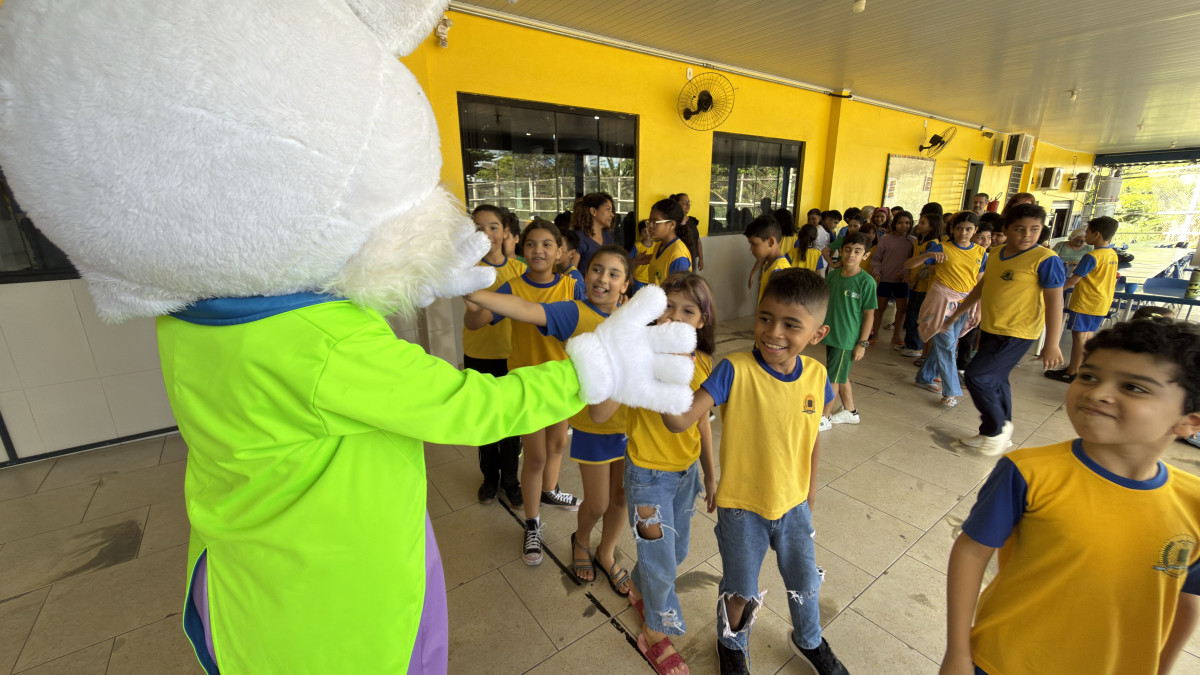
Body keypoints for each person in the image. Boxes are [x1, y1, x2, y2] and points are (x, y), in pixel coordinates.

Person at [940, 318, 1200, 675]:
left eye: (1133, 387)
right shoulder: (1028, 472)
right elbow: (971, 552)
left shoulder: (1193, 503)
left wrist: (1161, 668)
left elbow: (1186, 599)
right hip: (1002, 661)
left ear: (1189, 422)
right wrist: (957, 653)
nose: (1097, 392)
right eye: (1089, 376)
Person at [662, 268, 849, 675]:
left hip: (794, 505)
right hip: (742, 509)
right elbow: (679, 421)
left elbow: (812, 434)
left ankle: (809, 639)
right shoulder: (734, 369)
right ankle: (730, 643)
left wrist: (810, 489)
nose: (773, 332)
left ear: (817, 334)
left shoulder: (818, 376)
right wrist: (663, 375)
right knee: (740, 589)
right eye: (765, 317)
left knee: (805, 582)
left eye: (791, 324)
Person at [467, 245, 635, 592]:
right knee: (598, 503)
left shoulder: (632, 319)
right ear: (584, 274)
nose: (602, 278)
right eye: (596, 269)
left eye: (613, 273)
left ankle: (606, 552)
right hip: (594, 425)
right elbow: (525, 309)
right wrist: (471, 291)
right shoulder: (575, 311)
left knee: (621, 499)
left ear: (625, 284)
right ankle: (581, 540)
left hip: (631, 425)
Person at [463, 219, 586, 564]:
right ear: (521, 248)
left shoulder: (572, 286)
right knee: (534, 457)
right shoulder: (512, 287)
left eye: (547, 244)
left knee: (558, 444)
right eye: (531, 244)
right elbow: (476, 322)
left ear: (560, 252)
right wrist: (471, 308)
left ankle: (549, 491)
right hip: (528, 384)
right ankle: (532, 523)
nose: (538, 250)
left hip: (562, 381)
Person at [623, 272, 718, 675]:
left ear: (702, 320)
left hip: (685, 475)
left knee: (673, 552)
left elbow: (701, 422)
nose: (675, 317)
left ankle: (637, 585)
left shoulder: (703, 362)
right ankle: (654, 633)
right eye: (668, 308)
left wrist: (710, 473)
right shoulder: (640, 355)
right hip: (647, 476)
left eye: (688, 311)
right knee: (662, 560)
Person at [942, 204, 1066, 453]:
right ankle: (994, 431)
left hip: (1018, 332)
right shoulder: (997, 253)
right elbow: (982, 286)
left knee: (977, 376)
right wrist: (959, 312)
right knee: (997, 380)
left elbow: (1055, 302)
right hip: (992, 327)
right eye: (1019, 229)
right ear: (1006, 230)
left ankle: (997, 430)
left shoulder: (1046, 259)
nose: (1027, 235)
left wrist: (1052, 343)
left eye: (1034, 229)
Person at [462, 205, 528, 506]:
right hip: (478, 353)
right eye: (478, 228)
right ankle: (489, 478)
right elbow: (473, 316)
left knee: (511, 421)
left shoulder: (520, 271)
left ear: (505, 232)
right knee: (485, 418)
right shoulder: (468, 271)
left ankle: (511, 480)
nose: (486, 234)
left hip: (513, 355)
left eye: (493, 227)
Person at [908, 211, 986, 408]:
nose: (963, 233)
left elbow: (979, 284)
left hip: (965, 304)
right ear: (952, 228)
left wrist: (978, 310)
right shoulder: (942, 247)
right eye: (959, 228)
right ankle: (950, 391)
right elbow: (909, 264)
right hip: (941, 301)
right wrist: (928, 255)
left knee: (947, 344)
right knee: (947, 344)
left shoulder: (981, 252)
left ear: (975, 230)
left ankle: (925, 377)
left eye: (968, 229)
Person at [1045, 216, 1120, 383]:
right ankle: (1082, 369)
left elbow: (1073, 280)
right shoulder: (1112, 254)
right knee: (1088, 337)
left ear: (1097, 234)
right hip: (1102, 302)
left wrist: (1054, 292)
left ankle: (1072, 372)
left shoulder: (1092, 256)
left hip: (1086, 302)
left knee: (1079, 337)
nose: (1085, 236)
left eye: (1087, 232)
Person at [819, 232, 877, 431]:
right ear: (841, 251)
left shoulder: (866, 282)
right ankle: (850, 412)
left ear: (865, 255)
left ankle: (824, 417)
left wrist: (862, 343)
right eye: (847, 250)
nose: (851, 254)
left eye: (857, 251)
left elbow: (869, 315)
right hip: (831, 334)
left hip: (846, 339)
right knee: (840, 373)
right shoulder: (833, 275)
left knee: (833, 377)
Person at [900, 213, 946, 358]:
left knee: (917, 316)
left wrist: (914, 280)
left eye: (923, 223)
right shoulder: (918, 241)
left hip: (923, 287)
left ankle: (915, 346)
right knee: (911, 314)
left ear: (932, 226)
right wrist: (909, 275)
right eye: (919, 222)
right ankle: (909, 343)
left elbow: (925, 268)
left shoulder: (933, 244)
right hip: (914, 284)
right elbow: (913, 262)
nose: (918, 225)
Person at [869, 210, 915, 347]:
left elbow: (915, 261)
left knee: (902, 309)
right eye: (900, 223)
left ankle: (896, 336)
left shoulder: (913, 241)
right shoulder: (886, 239)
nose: (903, 226)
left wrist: (907, 272)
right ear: (894, 223)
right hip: (884, 279)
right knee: (879, 308)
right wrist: (876, 273)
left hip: (902, 281)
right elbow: (876, 259)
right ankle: (874, 335)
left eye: (907, 223)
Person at [642, 198, 692, 290]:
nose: (650, 226)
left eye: (655, 222)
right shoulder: (658, 246)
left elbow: (679, 292)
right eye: (649, 221)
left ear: (672, 224)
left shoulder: (678, 255)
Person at [745, 214, 792, 305]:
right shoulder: (770, 264)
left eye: (753, 244)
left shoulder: (778, 270)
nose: (751, 249)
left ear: (770, 242)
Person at [572, 192, 616, 271]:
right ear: (593, 211)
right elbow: (571, 273)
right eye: (608, 209)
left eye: (611, 210)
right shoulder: (578, 238)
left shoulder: (608, 238)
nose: (612, 214)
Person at [672, 193, 705, 271]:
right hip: (678, 259)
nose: (688, 205)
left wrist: (701, 259)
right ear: (677, 205)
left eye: (689, 202)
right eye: (684, 202)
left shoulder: (692, 221)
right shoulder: (673, 222)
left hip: (692, 259)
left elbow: (697, 240)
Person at [631, 219, 655, 288]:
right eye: (644, 231)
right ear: (640, 233)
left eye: (648, 230)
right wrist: (630, 276)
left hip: (651, 280)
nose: (647, 233)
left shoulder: (657, 245)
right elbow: (629, 262)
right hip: (639, 279)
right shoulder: (637, 246)